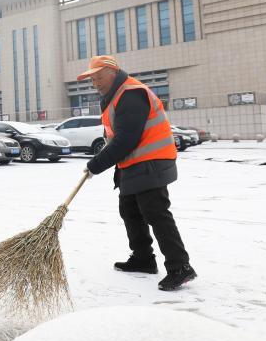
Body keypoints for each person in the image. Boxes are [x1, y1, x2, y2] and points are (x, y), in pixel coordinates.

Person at [79, 56, 197, 291]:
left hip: (151, 161)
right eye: (92, 79)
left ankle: (180, 267)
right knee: (130, 210)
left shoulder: (131, 94)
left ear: (113, 72)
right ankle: (143, 258)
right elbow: (115, 137)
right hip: (135, 163)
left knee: (155, 212)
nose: (96, 83)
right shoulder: (115, 96)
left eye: (99, 77)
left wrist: (96, 164)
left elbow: (127, 139)